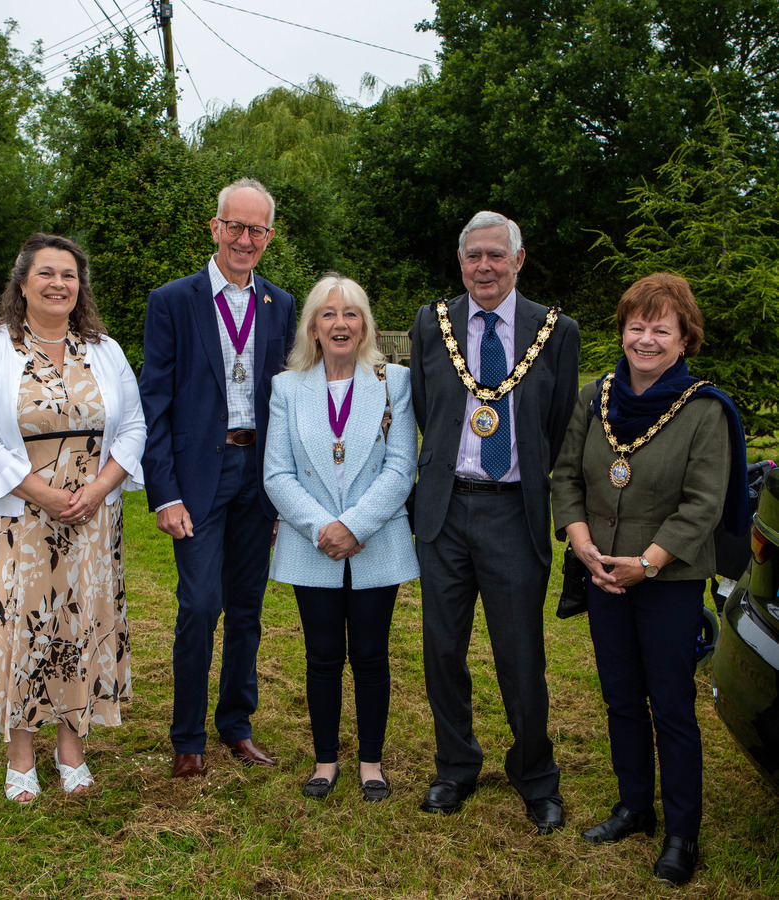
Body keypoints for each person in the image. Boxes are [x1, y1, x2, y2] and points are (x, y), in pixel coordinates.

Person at [551, 273, 748, 886]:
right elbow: (567, 478)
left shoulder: (704, 410)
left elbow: (704, 503)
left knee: (671, 706)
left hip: (666, 579)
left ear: (685, 339)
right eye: (636, 326)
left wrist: (649, 562)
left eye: (661, 328)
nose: (645, 338)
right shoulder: (594, 396)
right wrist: (585, 550)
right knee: (620, 699)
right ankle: (635, 807)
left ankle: (681, 833)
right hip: (603, 572)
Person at [0, 233, 146, 803]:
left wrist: (101, 487)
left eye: (69, 275)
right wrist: (43, 493)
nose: (59, 284)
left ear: (79, 287)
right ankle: (19, 753)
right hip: (17, 521)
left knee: (77, 629)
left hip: (90, 519)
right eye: (47, 274)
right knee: (19, 631)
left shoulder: (103, 349)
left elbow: (133, 426)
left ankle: (72, 748)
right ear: (23, 284)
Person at [409, 211, 580, 830]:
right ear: (460, 263)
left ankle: (535, 774)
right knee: (442, 650)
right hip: (446, 510)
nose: (484, 266)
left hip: (514, 511)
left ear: (519, 259)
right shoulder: (434, 323)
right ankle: (455, 766)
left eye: (495, 256)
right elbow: (429, 411)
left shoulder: (556, 331)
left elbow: (555, 423)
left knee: (520, 653)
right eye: (473, 256)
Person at [139, 178, 296, 779]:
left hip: (259, 474)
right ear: (215, 227)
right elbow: (153, 403)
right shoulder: (173, 301)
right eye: (235, 225)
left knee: (248, 609)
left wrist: (286, 491)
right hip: (198, 477)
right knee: (200, 605)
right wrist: (165, 492)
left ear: (269, 237)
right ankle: (187, 736)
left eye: (257, 229)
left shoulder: (279, 305)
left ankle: (236, 726)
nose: (245, 239)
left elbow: (288, 401)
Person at [264, 275, 419, 801]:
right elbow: (277, 474)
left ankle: (371, 761)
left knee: (372, 656)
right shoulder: (287, 387)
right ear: (312, 326)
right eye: (328, 314)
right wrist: (321, 528)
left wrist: (354, 526)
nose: (340, 323)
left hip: (376, 540)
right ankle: (326, 759)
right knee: (322, 656)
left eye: (351, 314)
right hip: (313, 546)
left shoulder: (392, 381)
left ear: (365, 324)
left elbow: (401, 467)